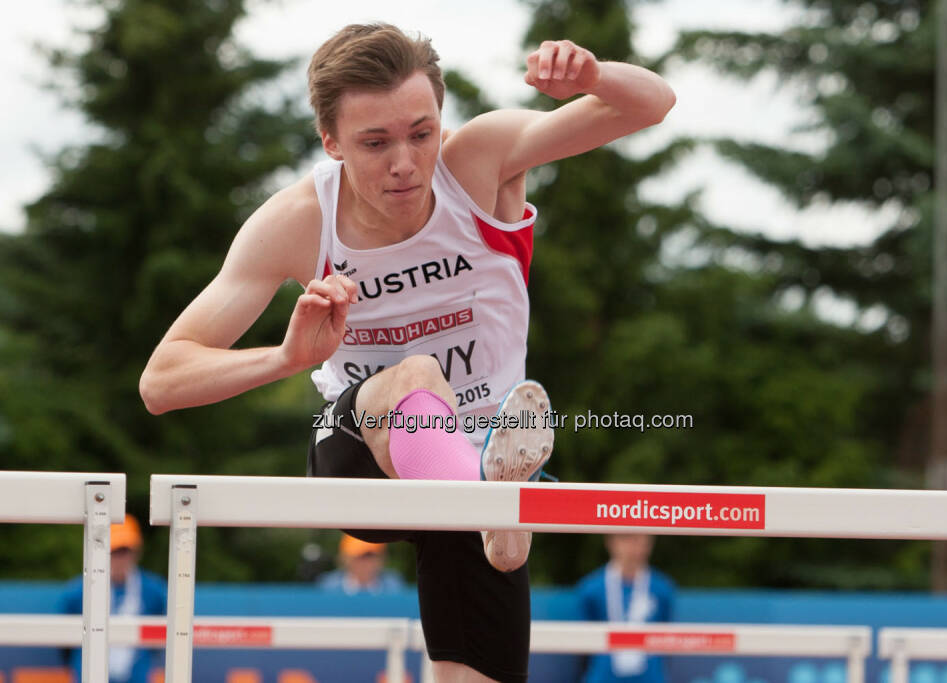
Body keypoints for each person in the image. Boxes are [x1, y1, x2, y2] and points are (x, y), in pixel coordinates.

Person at [140, 23, 674, 683]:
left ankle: (489, 504)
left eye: (422, 133)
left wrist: (591, 78)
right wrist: (284, 357)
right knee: (417, 375)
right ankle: (493, 502)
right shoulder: (299, 221)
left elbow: (651, 104)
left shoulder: (480, 160)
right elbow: (162, 380)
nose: (405, 162)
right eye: (375, 142)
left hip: (481, 466)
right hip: (359, 458)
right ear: (330, 141)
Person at [57, 514, 167, 683]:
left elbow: (159, 635)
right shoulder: (79, 590)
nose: (119, 558)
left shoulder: (154, 590)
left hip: (135, 675)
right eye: (114, 551)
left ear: (136, 552)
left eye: (125, 551)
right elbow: (64, 639)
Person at [576, 535, 677, 683]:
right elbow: (583, 644)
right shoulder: (591, 589)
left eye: (642, 539)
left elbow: (665, 639)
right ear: (611, 542)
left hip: (650, 677)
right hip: (603, 677)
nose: (635, 546)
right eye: (627, 538)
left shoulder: (663, 589)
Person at [317, 533, 406, 594]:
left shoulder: (394, 586)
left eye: (370, 556)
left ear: (381, 559)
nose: (365, 563)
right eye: (358, 556)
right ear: (345, 559)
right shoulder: (328, 586)